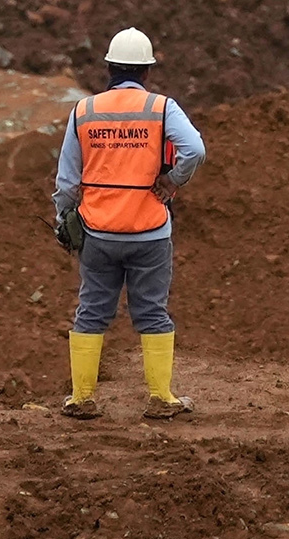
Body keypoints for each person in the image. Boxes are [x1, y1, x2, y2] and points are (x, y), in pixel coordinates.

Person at [53, 24, 202, 420]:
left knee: (91, 311)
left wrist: (62, 219)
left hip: (98, 231)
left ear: (109, 68)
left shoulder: (84, 111)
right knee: (152, 312)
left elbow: (67, 180)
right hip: (150, 232)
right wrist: (171, 182)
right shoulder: (161, 108)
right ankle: (160, 398)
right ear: (147, 72)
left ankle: (82, 399)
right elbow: (195, 150)